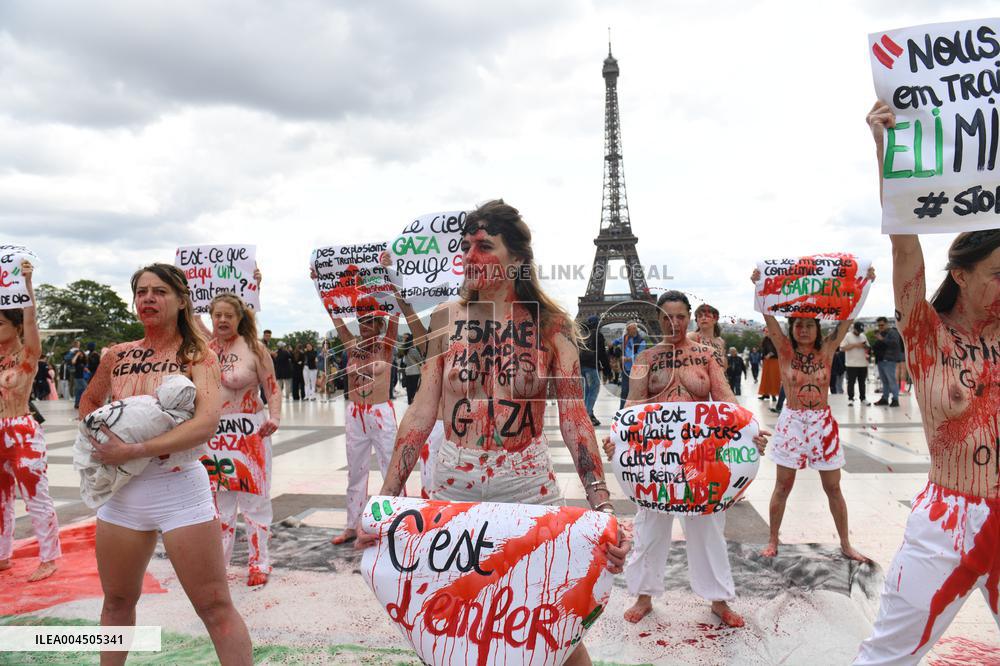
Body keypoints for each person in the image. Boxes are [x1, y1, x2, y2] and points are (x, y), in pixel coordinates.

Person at [360, 200, 629, 666]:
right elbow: (422, 412)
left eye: (484, 246)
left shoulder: (551, 326)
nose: (469, 256)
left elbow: (574, 418)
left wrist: (601, 505)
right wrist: (387, 500)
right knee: (449, 616)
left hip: (525, 484)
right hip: (453, 485)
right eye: (465, 247)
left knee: (550, 619)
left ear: (518, 259)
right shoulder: (446, 320)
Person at [854, 102, 1000, 664]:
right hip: (949, 522)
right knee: (888, 655)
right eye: (997, 275)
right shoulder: (924, 333)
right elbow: (904, 246)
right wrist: (887, 153)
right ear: (960, 275)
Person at [79, 263, 251, 665]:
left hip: (179, 490)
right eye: (141, 292)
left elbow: (206, 424)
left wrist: (135, 450)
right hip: (123, 495)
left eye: (159, 292)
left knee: (214, 607)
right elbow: (88, 405)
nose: (148, 299)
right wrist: (101, 436)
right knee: (117, 602)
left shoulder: (198, 355)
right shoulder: (117, 355)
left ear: (181, 300)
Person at [603, 290, 768, 628]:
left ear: (689, 316)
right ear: (658, 319)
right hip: (656, 458)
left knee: (709, 527)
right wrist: (617, 438)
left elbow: (725, 400)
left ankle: (719, 599)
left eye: (680, 316)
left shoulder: (706, 356)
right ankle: (644, 596)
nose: (674, 322)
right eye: (667, 317)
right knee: (649, 526)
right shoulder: (646, 358)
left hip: (700, 455)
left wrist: (748, 430)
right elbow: (634, 404)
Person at [750, 269, 873, 563]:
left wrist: (864, 283)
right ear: (791, 329)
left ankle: (845, 543)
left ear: (818, 329)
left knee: (833, 486)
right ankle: (772, 539)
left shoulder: (828, 349)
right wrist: (758, 285)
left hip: (822, 424)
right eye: (798, 325)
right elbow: (768, 316)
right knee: (783, 485)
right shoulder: (784, 350)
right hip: (792, 421)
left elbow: (849, 316)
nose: (803, 330)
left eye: (809, 325)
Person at [200, 291, 281, 587]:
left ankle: (259, 562)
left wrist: (275, 417)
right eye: (217, 315)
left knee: (255, 500)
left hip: (250, 431)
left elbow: (272, 388)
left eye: (228, 315)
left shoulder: (254, 348)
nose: (222, 320)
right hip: (216, 433)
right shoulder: (205, 350)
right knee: (219, 503)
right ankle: (219, 565)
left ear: (238, 318)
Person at [0, 260, 61, 582]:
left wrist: (27, 284)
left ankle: (49, 557)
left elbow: (32, 319)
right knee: (0, 499)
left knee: (35, 497)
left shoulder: (27, 355)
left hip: (21, 430)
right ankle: (2, 554)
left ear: (15, 326)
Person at [579, 315, 611, 426]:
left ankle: (587, 413)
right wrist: (607, 370)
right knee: (593, 390)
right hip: (592, 366)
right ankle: (586, 415)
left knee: (587, 391)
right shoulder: (598, 335)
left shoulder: (583, 334)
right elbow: (602, 354)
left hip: (581, 366)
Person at [873, 316, 903, 407]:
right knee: (884, 381)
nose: (880, 327)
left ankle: (895, 399)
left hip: (889, 360)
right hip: (881, 360)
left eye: (882, 325)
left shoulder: (892, 332)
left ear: (886, 324)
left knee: (891, 381)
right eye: (879, 325)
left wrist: (882, 339)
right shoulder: (882, 333)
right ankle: (885, 398)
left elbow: (895, 344)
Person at [841, 322, 871, 406]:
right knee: (851, 382)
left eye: (860, 331)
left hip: (863, 363)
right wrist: (855, 345)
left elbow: (868, 347)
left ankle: (863, 398)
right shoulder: (848, 336)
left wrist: (865, 347)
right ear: (854, 328)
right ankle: (850, 399)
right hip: (851, 364)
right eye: (858, 330)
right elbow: (842, 348)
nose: (859, 333)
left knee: (862, 382)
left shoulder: (863, 336)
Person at [689, 303, 726, 367]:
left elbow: (723, 366)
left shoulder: (720, 341)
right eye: (700, 316)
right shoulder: (692, 337)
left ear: (715, 320)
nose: (703, 318)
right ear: (697, 321)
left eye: (707, 316)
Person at [620, 322, 646, 409]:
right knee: (624, 391)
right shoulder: (627, 338)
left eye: (628, 329)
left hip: (635, 370)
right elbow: (619, 341)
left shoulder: (642, 341)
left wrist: (627, 359)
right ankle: (622, 410)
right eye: (627, 330)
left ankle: (634, 410)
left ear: (634, 329)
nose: (627, 331)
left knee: (634, 392)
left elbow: (639, 355)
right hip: (626, 368)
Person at [399, 334, 422, 405]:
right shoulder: (413, 350)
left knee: (409, 389)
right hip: (415, 372)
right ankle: (414, 404)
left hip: (408, 372)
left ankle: (409, 402)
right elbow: (420, 360)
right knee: (415, 389)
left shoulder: (406, 350)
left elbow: (404, 361)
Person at [757, 333, 781, 400]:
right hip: (766, 360)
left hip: (774, 360)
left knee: (773, 377)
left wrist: (770, 354)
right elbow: (763, 350)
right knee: (765, 377)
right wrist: (762, 359)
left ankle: (773, 394)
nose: (766, 332)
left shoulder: (775, 339)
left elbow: (778, 349)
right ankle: (766, 394)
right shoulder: (765, 340)